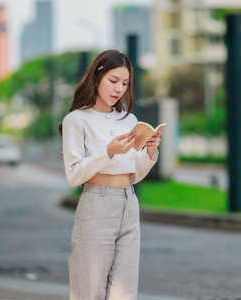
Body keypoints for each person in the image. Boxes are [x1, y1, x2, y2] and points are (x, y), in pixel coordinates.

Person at [59, 50, 162, 300]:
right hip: (97, 203)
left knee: (124, 294)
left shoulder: (129, 120)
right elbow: (73, 175)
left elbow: (134, 174)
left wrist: (149, 153)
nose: (119, 89)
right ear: (97, 78)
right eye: (113, 81)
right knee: (89, 291)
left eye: (125, 84)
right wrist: (108, 152)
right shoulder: (77, 119)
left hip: (129, 202)